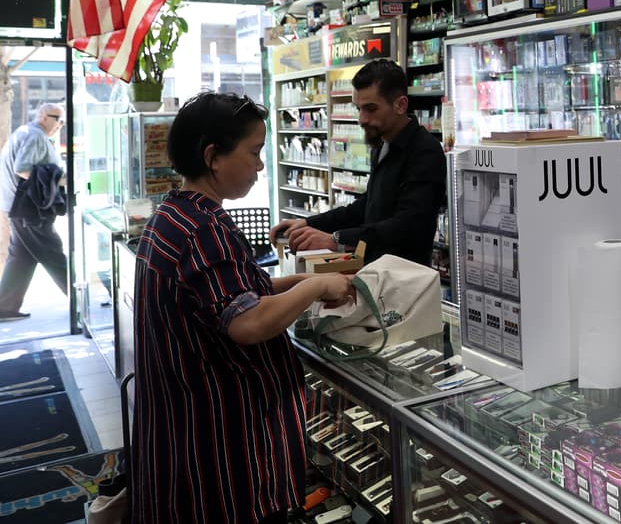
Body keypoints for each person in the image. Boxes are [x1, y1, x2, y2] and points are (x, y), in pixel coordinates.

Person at [131, 92, 354, 524]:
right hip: (220, 460)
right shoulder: (205, 227)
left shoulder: (173, 215)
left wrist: (302, 281)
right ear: (213, 156)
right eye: (253, 152)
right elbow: (246, 322)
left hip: (179, 442)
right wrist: (317, 287)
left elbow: (231, 291)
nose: (261, 165)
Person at [272, 58, 446, 266]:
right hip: (375, 274)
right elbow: (367, 206)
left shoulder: (425, 151)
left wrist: (336, 240)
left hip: (405, 283)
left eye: (371, 109)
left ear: (400, 105)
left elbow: (408, 226)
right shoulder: (382, 146)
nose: (362, 119)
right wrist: (308, 223)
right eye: (359, 108)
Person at [0, 103, 67, 321]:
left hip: (18, 207)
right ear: (42, 116)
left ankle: (5, 307)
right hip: (29, 210)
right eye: (57, 119)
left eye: (62, 121)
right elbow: (23, 168)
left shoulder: (24, 132)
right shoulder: (35, 136)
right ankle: (79, 299)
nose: (59, 125)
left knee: (21, 257)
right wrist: (57, 178)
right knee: (53, 252)